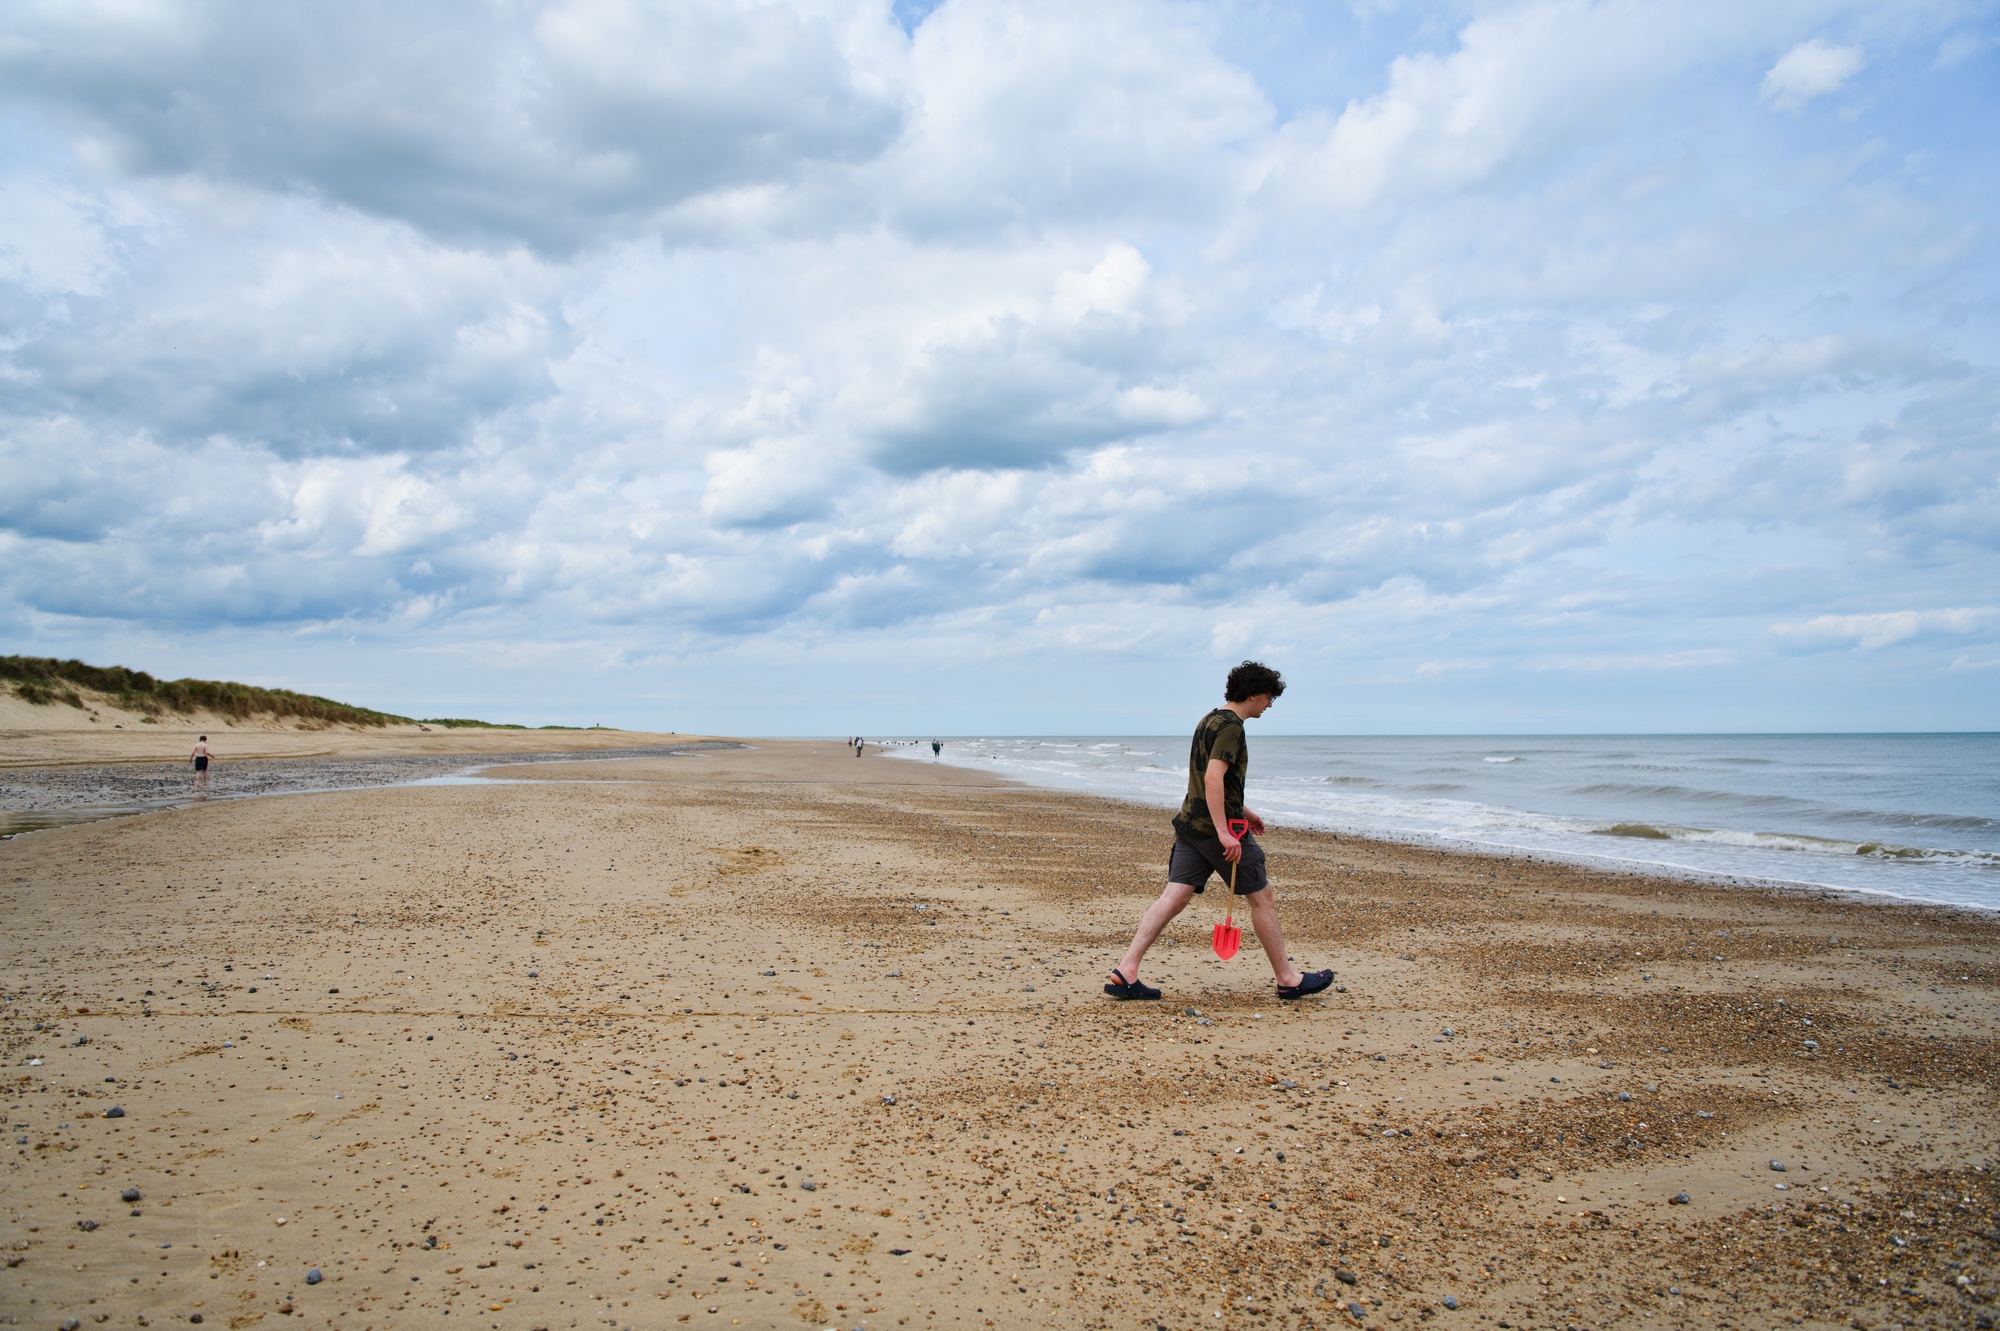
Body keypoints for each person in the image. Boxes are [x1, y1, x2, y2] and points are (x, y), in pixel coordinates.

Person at [1105, 661, 1333, 1002]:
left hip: (1191, 824)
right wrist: (1225, 832)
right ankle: (1288, 979)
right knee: (1263, 898)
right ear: (1254, 695)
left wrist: (1245, 810)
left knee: (1174, 897)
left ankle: (1126, 970)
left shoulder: (1210, 719)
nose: (1270, 705)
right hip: (1218, 832)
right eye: (1269, 697)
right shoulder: (1232, 728)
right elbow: (1212, 778)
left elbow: (1209, 780)